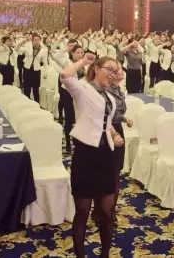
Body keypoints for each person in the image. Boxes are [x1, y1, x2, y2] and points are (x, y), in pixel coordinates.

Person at [61, 55, 124, 258]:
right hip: (86, 156)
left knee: (107, 213)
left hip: (106, 157)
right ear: (97, 68)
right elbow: (66, 75)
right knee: (82, 213)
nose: (113, 73)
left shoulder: (109, 95)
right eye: (109, 69)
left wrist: (114, 135)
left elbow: (107, 123)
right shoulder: (83, 89)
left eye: (116, 70)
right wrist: (83, 61)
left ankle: (105, 254)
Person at [93, 61, 133, 227]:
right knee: (103, 172)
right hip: (105, 130)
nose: (120, 72)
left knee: (115, 172)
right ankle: (100, 210)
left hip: (118, 129)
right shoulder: (105, 91)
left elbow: (117, 113)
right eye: (115, 70)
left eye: (120, 69)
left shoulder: (119, 90)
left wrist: (124, 119)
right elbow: (106, 115)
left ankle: (110, 210)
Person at [15, 34, 48, 102]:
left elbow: (45, 62)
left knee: (36, 89)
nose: (36, 41)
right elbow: (16, 49)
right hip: (27, 69)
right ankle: (26, 103)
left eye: (38, 40)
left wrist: (46, 72)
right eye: (35, 40)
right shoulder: (28, 47)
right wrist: (21, 43)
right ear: (32, 41)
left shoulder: (43, 50)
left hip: (36, 71)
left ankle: (37, 104)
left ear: (40, 41)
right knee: (27, 88)